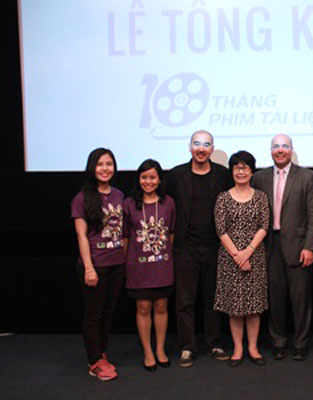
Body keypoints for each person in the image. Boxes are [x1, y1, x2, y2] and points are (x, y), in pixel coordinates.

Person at [166, 130, 233, 367]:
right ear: (189, 147)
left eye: (206, 144)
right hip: (185, 248)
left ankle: (213, 343)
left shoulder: (223, 175)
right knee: (185, 301)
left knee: (213, 299)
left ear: (212, 149)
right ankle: (186, 347)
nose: (201, 149)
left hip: (216, 247)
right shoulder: (175, 176)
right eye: (197, 144)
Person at [252, 133, 313, 361]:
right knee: (275, 297)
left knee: (301, 299)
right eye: (275, 146)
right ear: (270, 151)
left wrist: (310, 247)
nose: (280, 150)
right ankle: (278, 341)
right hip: (269, 245)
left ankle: (301, 343)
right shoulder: (260, 177)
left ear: (291, 150)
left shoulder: (307, 177)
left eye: (284, 146)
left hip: (299, 245)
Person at [71, 148, 126, 381]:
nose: (105, 169)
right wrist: (89, 267)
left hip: (117, 264)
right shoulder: (82, 198)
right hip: (95, 265)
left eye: (109, 164)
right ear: (92, 167)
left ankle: (101, 353)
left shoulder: (119, 195)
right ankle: (94, 361)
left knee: (108, 313)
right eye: (100, 164)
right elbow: (82, 236)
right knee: (94, 315)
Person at [213, 151, 270, 367]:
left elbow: (264, 225)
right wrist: (237, 255)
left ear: (252, 171)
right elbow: (220, 229)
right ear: (231, 171)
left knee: (254, 306)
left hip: (255, 256)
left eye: (245, 167)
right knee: (235, 308)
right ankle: (237, 348)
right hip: (230, 259)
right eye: (237, 167)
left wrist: (248, 252)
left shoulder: (261, 197)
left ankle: (253, 348)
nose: (241, 171)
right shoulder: (222, 198)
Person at [123, 159, 175, 372]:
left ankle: (160, 349)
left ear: (159, 179)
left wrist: (164, 255)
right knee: (143, 307)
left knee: (161, 306)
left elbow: (171, 233)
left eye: (152, 177)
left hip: (162, 264)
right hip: (138, 265)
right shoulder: (128, 204)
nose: (148, 181)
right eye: (144, 177)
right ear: (138, 179)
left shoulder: (168, 202)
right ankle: (148, 351)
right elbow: (125, 236)